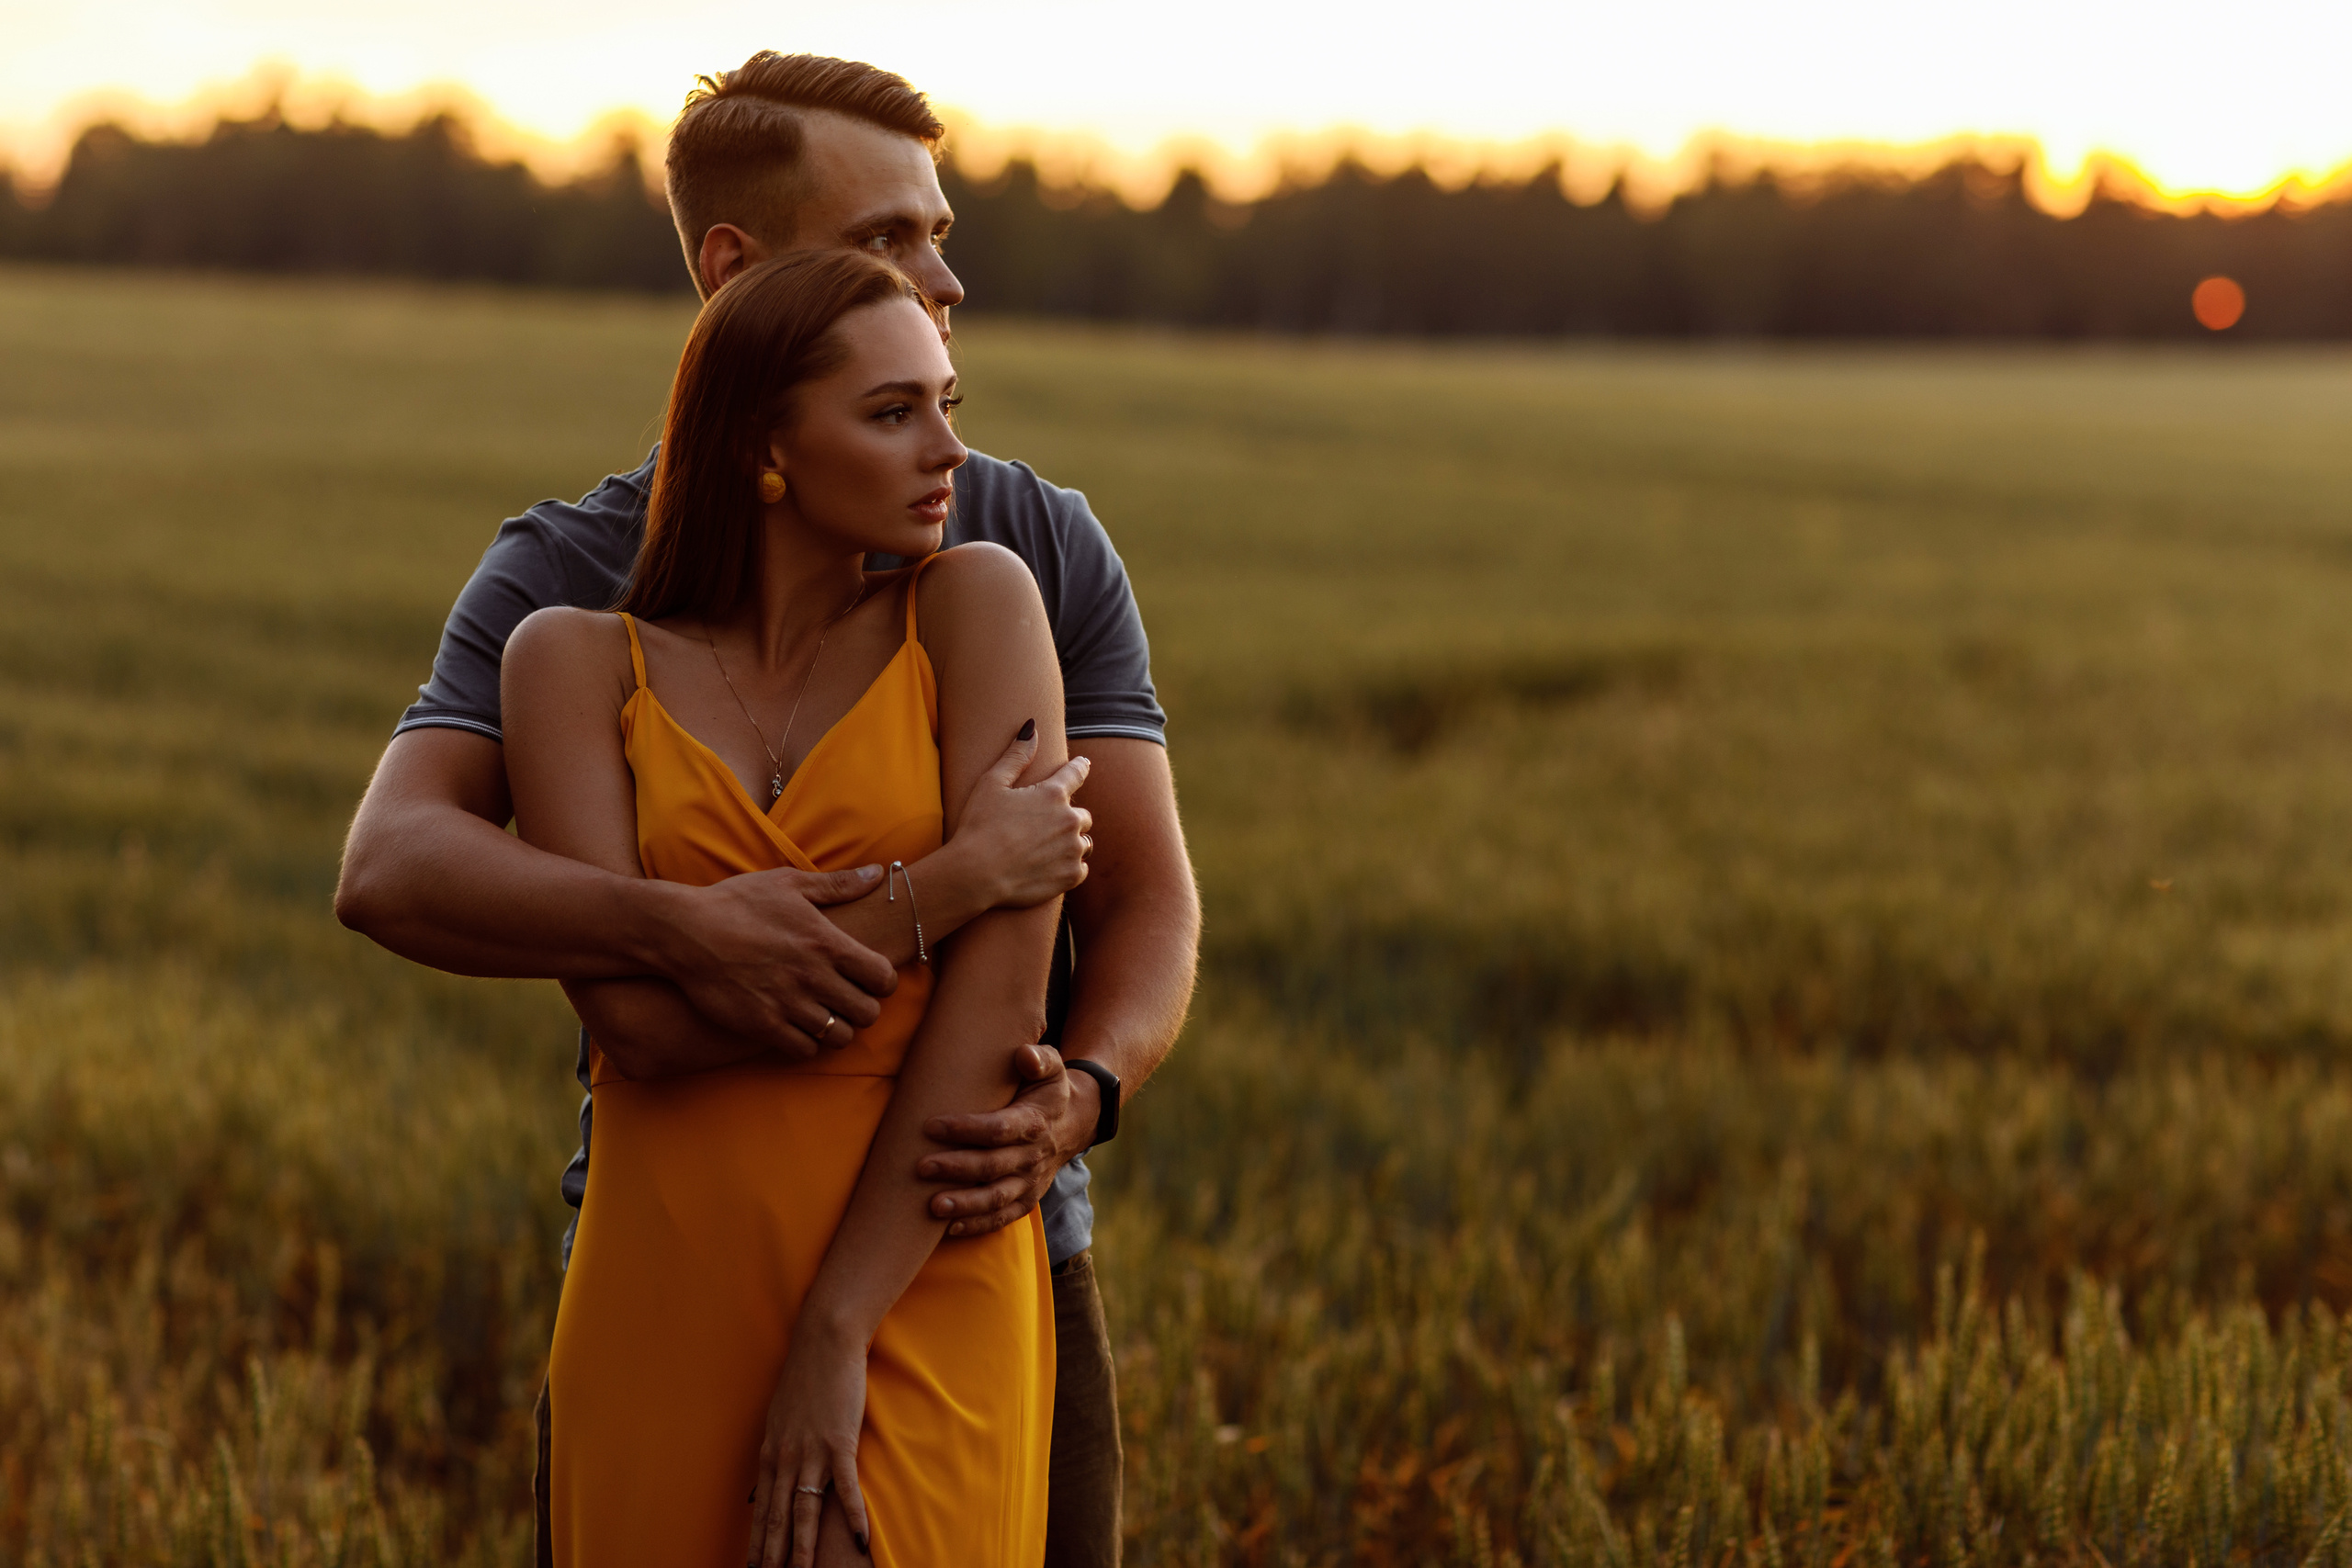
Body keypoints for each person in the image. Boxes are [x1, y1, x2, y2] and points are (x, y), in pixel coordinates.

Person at [333, 51, 1200, 1568]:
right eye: (887, 243)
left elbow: (1135, 895)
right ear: (735, 274)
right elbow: (395, 866)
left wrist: (1089, 1094)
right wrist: (696, 921)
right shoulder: (564, 589)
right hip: (672, 1246)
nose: (944, 277)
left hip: (973, 1227)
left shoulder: (1019, 550)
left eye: (939, 233)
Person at [508, 246, 1056, 1565]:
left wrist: (835, 1334)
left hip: (921, 1273)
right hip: (665, 1289)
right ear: (764, 445)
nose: (947, 452)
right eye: (891, 412)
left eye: (948, 404)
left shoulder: (979, 607)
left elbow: (997, 1020)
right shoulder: (572, 666)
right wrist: (949, 884)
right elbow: (642, 1027)